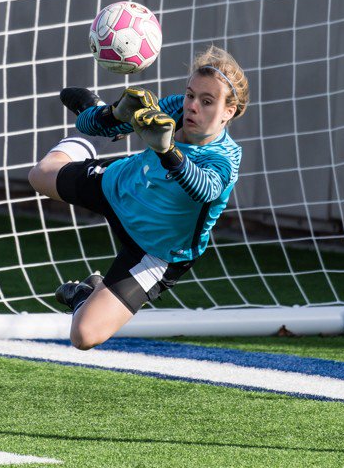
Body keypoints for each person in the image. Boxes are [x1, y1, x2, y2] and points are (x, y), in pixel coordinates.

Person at [28, 45, 249, 350]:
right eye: (190, 95)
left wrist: (167, 151)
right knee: (40, 175)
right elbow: (97, 126)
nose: (192, 107)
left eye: (207, 101)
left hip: (155, 250)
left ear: (229, 112)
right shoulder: (174, 109)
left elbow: (204, 189)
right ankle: (96, 119)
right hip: (122, 186)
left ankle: (84, 292)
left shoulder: (224, 159)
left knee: (84, 335)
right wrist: (110, 114)